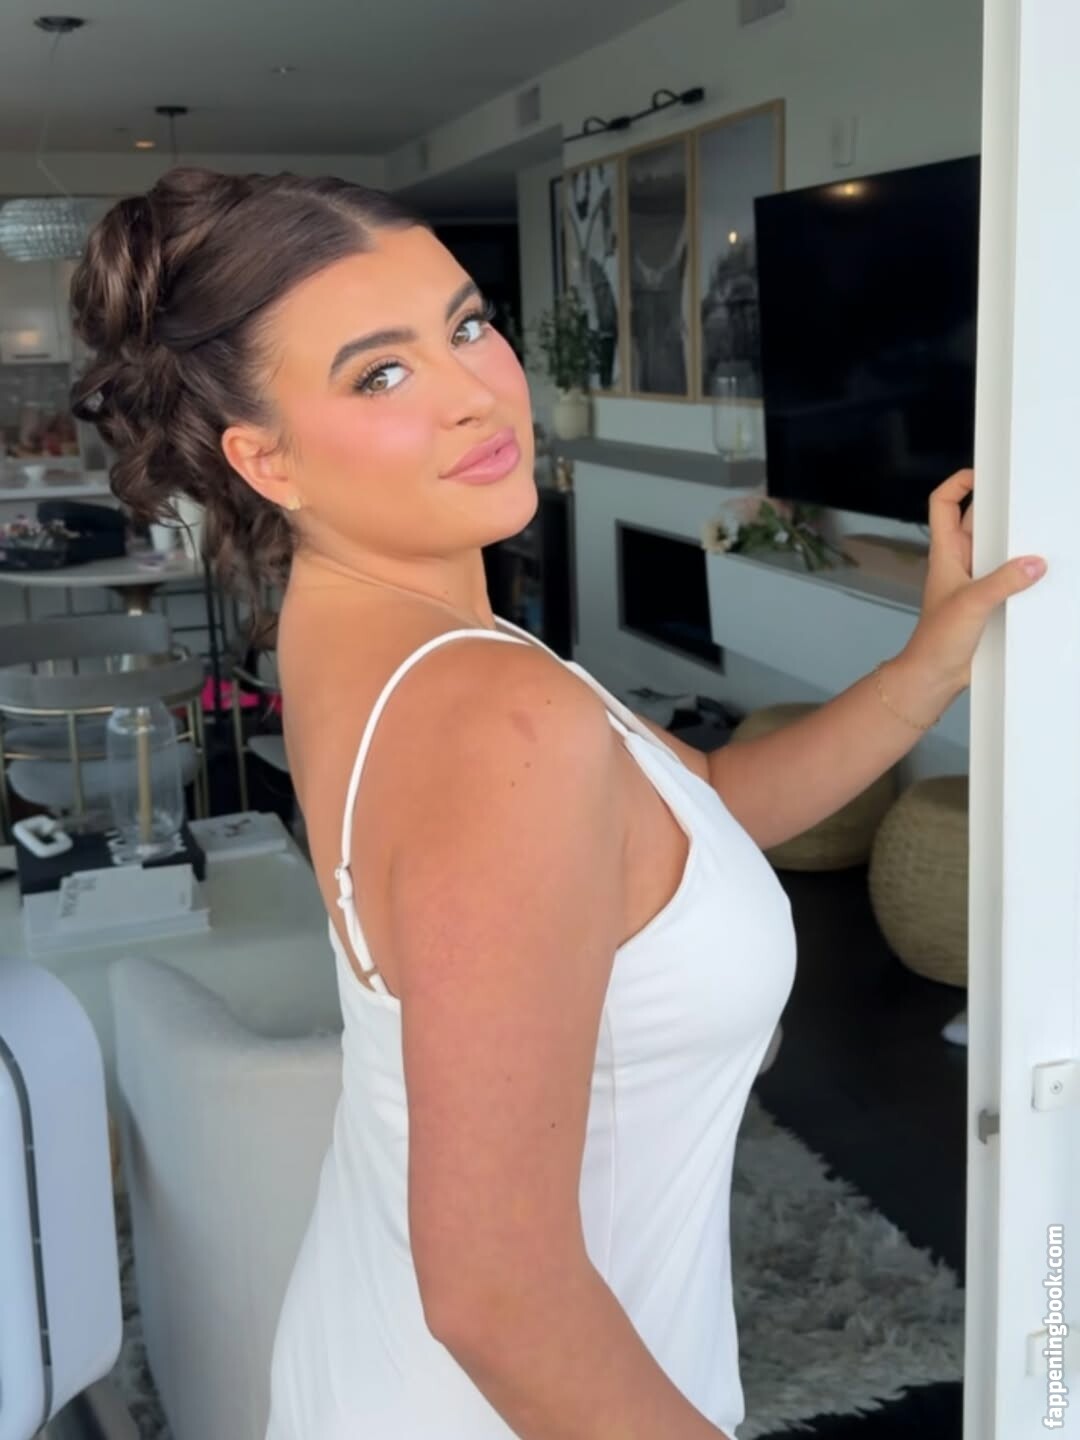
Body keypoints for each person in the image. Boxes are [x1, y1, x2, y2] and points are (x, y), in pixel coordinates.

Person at [70, 168, 1046, 1440]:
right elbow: (497, 1295)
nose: (477, 391)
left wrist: (929, 664)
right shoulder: (492, 713)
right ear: (265, 459)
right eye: (381, 374)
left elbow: (699, 812)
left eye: (468, 325)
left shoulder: (389, 638)